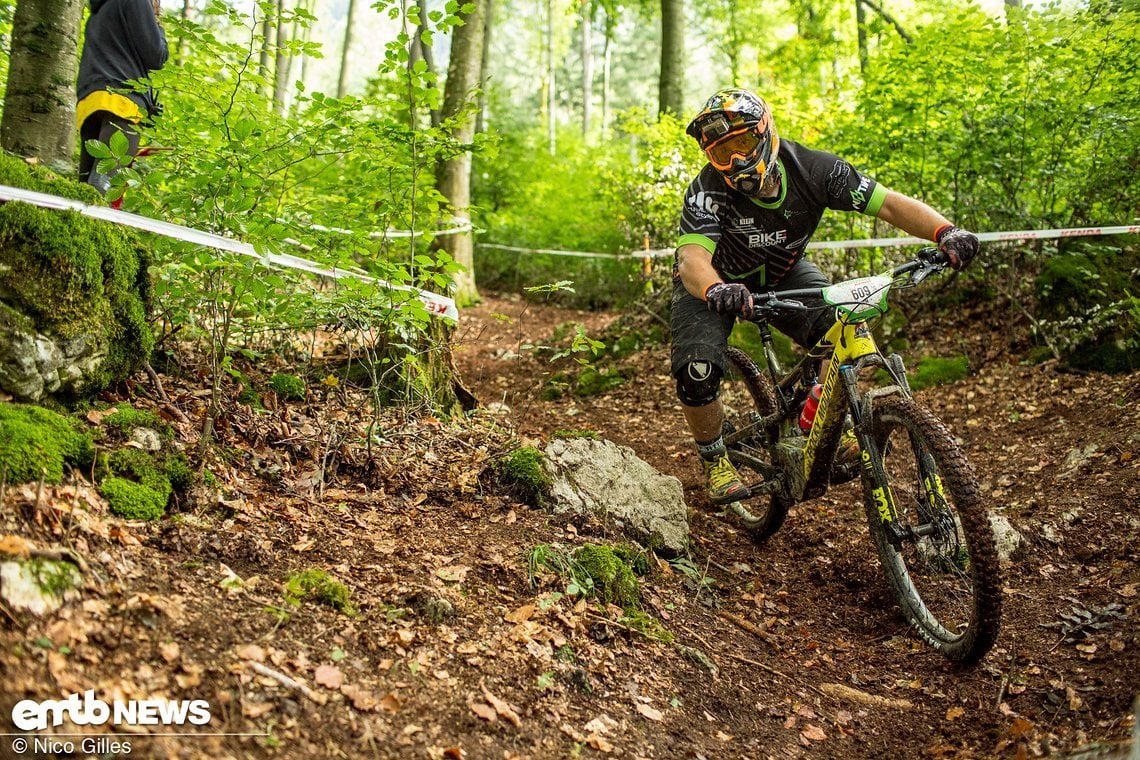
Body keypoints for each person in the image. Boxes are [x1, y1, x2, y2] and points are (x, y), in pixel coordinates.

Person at [672, 88, 979, 504]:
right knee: (697, 370)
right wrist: (715, 289)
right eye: (721, 154)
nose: (735, 162)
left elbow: (888, 206)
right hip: (716, 281)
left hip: (784, 272)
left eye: (741, 144)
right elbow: (692, 259)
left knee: (846, 328)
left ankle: (812, 420)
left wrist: (946, 231)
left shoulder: (817, 170)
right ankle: (714, 459)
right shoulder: (708, 190)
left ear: (765, 132)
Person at [76, 0, 168, 200]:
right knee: (104, 188)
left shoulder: (98, 11)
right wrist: (157, 26)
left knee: (84, 189)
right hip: (122, 103)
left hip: (89, 102)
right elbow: (157, 56)